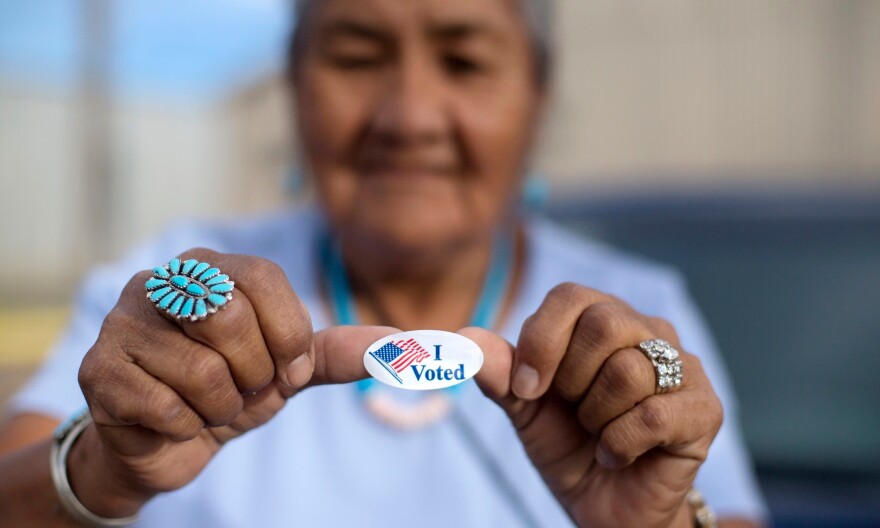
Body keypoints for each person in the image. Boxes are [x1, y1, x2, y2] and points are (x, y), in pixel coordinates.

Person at [0, 0, 768, 526]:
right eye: (357, 56)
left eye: (463, 61)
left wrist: (660, 521)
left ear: (536, 101)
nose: (408, 116)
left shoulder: (632, 308)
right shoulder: (180, 283)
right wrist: (104, 468)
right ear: (295, 91)